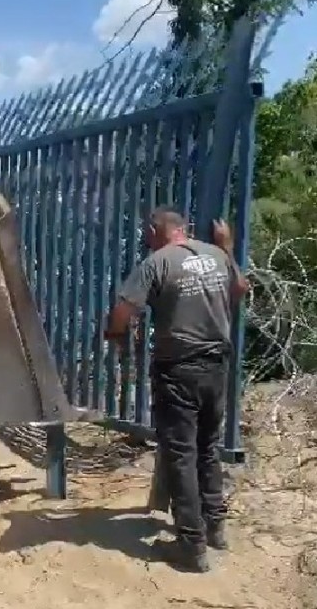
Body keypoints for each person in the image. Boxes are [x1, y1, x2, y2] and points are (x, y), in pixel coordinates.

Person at [105, 207, 249, 573]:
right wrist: (228, 247)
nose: (145, 239)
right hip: (218, 366)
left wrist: (116, 339)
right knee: (207, 447)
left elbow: (124, 312)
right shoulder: (216, 255)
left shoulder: (157, 263)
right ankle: (215, 525)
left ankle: (190, 543)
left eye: (146, 233)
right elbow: (240, 289)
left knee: (181, 454)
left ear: (156, 230)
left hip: (179, 370)